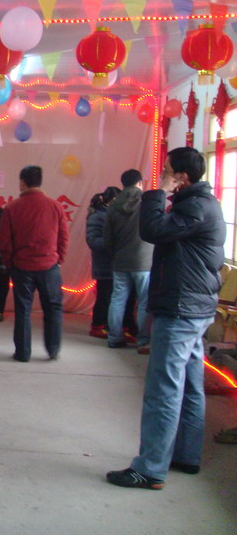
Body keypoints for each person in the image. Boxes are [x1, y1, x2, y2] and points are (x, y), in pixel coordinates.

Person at [107, 147, 225, 490]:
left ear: (181, 177)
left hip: (180, 309)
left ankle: (150, 468)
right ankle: (185, 455)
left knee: (163, 389)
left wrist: (157, 191)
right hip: (193, 307)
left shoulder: (195, 207)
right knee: (188, 386)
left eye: (168, 171)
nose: (162, 175)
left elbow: (152, 229)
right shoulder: (201, 203)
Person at [0, 165, 68, 362]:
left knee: (23, 310)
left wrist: (10, 263)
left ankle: (23, 353)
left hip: (22, 266)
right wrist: (59, 259)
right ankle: (53, 349)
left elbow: (4, 241)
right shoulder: (55, 206)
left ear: (22, 182)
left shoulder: (11, 208)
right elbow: (63, 237)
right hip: (49, 266)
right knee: (53, 308)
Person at [103, 169, 154, 354]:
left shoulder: (113, 206)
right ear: (140, 183)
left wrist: (114, 254)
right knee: (144, 301)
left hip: (120, 260)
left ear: (123, 184)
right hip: (144, 261)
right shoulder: (148, 202)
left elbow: (107, 238)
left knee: (117, 299)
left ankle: (114, 337)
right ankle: (143, 340)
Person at [85, 187, 121, 338]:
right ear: (112, 200)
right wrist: (113, 242)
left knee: (110, 296)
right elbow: (93, 241)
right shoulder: (97, 217)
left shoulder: (111, 215)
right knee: (104, 296)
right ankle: (97, 325)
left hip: (114, 263)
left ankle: (106, 325)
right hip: (104, 264)